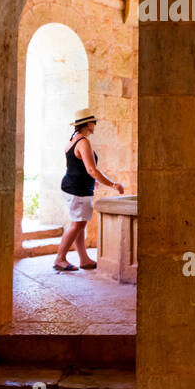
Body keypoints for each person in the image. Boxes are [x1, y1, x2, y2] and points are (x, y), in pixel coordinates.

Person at [54, 107, 124, 272]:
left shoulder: (74, 139)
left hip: (72, 186)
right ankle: (59, 258)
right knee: (77, 225)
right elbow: (91, 170)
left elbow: (76, 166)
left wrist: (92, 180)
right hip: (77, 189)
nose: (95, 125)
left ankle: (84, 259)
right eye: (94, 122)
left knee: (79, 224)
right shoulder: (83, 142)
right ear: (88, 124)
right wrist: (114, 185)